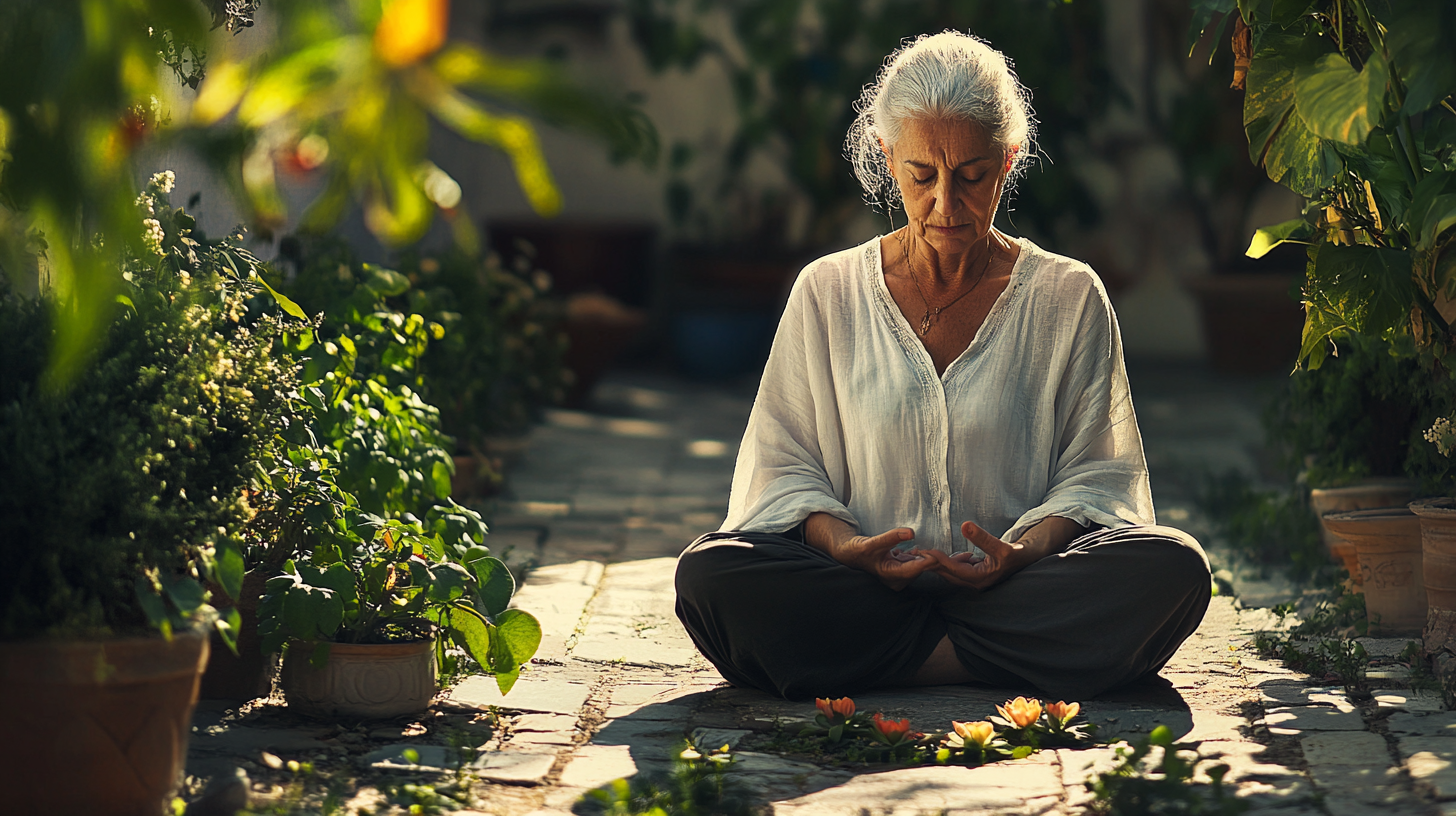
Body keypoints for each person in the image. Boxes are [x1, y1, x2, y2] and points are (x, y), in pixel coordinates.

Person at [673, 31, 1211, 702]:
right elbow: (785, 467)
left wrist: (1025, 554)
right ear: (887, 158)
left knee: (1173, 567)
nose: (945, 205)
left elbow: (1097, 477)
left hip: (1021, 590)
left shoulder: (1069, 296)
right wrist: (844, 548)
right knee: (709, 575)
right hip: (859, 592)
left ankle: (891, 660)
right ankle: (991, 659)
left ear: (1009, 162)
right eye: (922, 175)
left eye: (972, 176)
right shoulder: (828, 291)